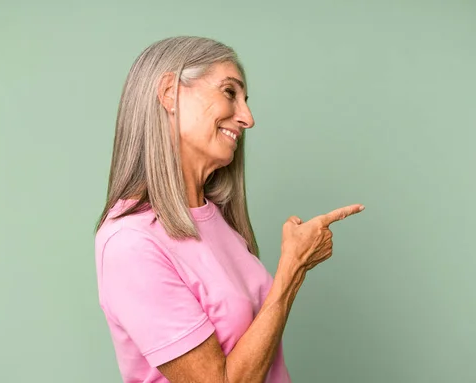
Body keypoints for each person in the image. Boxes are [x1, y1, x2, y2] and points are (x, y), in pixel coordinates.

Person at [94, 36, 365, 383]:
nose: (248, 118)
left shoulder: (216, 218)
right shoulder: (129, 243)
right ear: (169, 93)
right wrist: (292, 270)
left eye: (245, 100)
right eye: (229, 92)